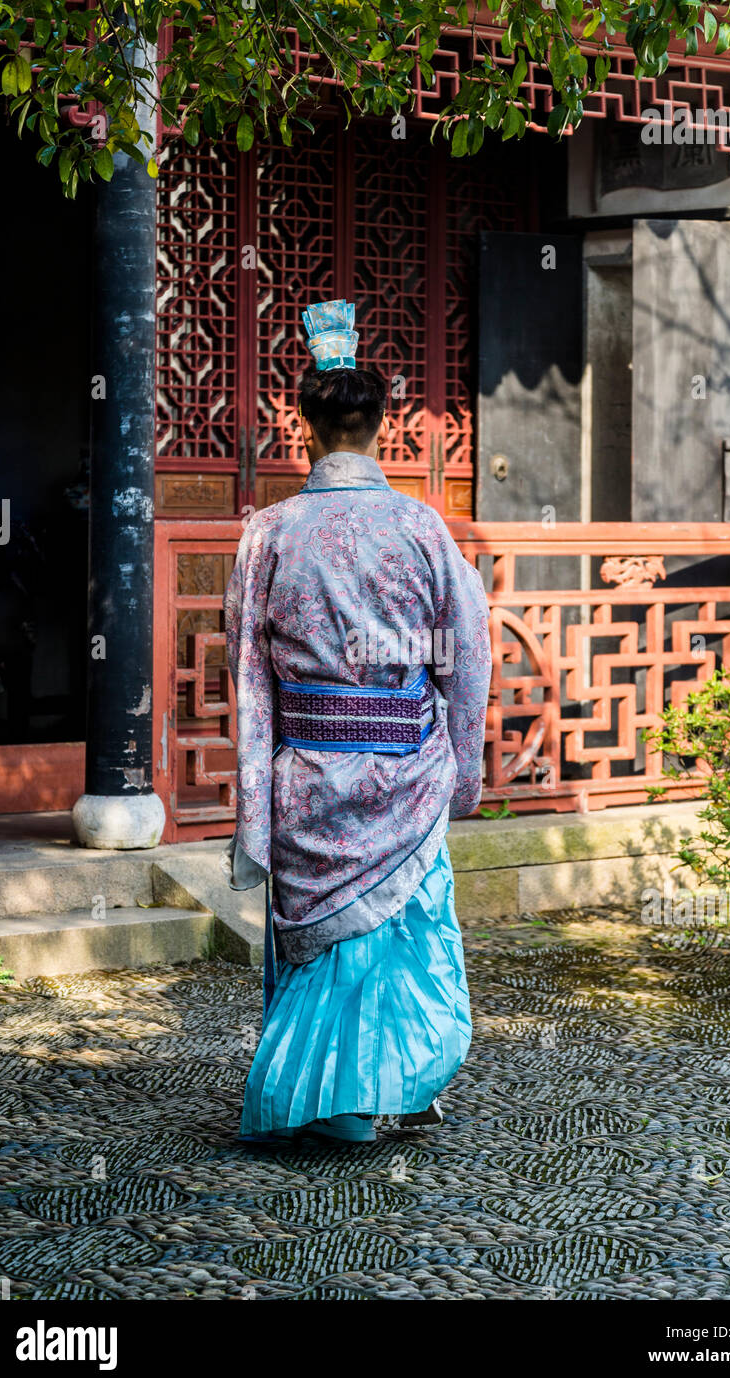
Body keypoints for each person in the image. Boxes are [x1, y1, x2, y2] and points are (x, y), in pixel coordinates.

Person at [222, 299, 492, 1144]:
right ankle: (398, 1087)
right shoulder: (420, 526)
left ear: (305, 427)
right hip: (404, 765)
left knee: (324, 946)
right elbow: (467, 657)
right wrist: (464, 768)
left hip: (307, 771)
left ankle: (324, 1103)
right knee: (404, 932)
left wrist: (254, 800)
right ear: (382, 428)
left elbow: (248, 677)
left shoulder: (267, 532)